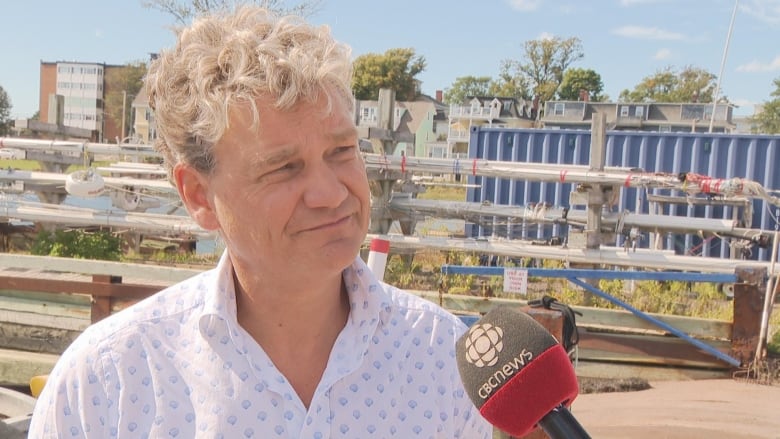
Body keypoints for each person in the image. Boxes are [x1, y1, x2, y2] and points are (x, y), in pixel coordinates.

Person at [28, 6, 492, 438]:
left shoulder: (443, 360)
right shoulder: (107, 385)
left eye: (342, 152)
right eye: (283, 168)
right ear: (199, 196)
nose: (331, 193)